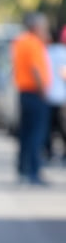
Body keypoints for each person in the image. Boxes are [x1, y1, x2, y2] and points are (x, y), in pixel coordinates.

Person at [11, 11, 52, 185]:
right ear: (36, 26)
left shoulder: (20, 41)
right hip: (35, 93)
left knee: (26, 133)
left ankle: (23, 169)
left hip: (23, 92)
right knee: (37, 133)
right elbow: (36, 69)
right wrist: (42, 90)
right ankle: (34, 171)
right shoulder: (34, 43)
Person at [45, 24, 66, 162]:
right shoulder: (62, 52)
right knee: (61, 128)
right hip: (60, 96)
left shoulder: (46, 51)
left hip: (47, 95)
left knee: (49, 128)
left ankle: (49, 153)